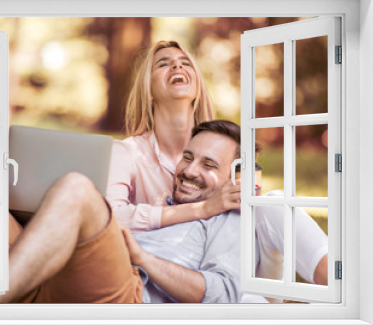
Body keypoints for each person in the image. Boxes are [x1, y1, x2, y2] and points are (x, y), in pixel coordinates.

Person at [0, 121, 249, 304]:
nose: (190, 171)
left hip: (122, 295)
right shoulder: (162, 202)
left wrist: (143, 258)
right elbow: (117, 214)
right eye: (188, 157)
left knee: (78, 187)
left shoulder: (225, 218)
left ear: (235, 177)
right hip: (42, 269)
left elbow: (224, 294)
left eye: (208, 165)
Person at [106, 40, 328, 286]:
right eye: (163, 64)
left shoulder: (225, 145)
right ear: (146, 88)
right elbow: (109, 219)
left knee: (272, 204)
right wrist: (201, 209)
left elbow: (245, 209)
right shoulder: (126, 153)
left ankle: (337, 287)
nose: (177, 65)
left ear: (198, 84)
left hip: (230, 267)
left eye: (185, 62)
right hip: (168, 280)